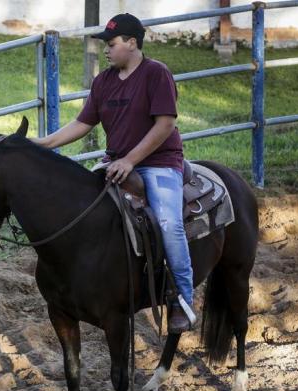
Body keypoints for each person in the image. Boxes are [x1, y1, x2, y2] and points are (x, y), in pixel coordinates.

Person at [32, 13, 196, 334]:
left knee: (168, 222)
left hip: (159, 163)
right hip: (117, 162)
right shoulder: (104, 82)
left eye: (112, 44)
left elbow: (165, 125)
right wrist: (41, 143)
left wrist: (131, 160)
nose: (106, 50)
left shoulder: (156, 74)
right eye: (106, 44)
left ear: (132, 43)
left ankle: (184, 300)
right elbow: (83, 123)